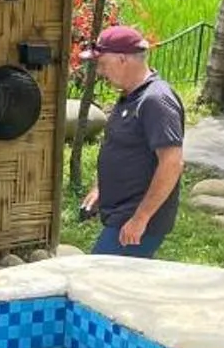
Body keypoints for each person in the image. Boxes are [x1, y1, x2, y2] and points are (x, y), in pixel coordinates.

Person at [79, 24, 184, 258]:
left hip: (137, 219)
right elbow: (117, 146)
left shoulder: (155, 101)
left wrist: (141, 218)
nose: (100, 72)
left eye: (102, 63)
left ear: (122, 59)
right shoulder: (130, 97)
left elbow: (172, 163)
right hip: (121, 213)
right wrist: (100, 189)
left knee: (98, 281)